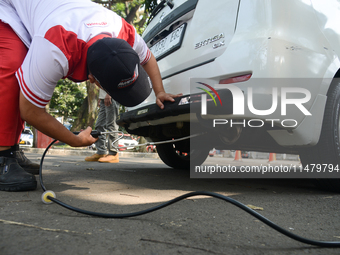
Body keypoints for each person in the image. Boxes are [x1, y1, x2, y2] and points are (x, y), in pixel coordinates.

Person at [0, 0, 182, 192]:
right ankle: (2, 155)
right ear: (92, 78)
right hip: (10, 6)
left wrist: (159, 92)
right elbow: (30, 110)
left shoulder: (123, 31)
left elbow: (149, 58)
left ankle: (12, 149)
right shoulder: (55, 47)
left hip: (46, 11)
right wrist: (74, 139)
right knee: (13, 64)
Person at [85, 89, 120, 163]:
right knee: (99, 125)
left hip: (112, 96)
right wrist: (101, 97)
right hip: (104, 97)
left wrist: (110, 93)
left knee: (111, 125)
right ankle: (101, 152)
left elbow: (115, 79)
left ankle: (113, 153)